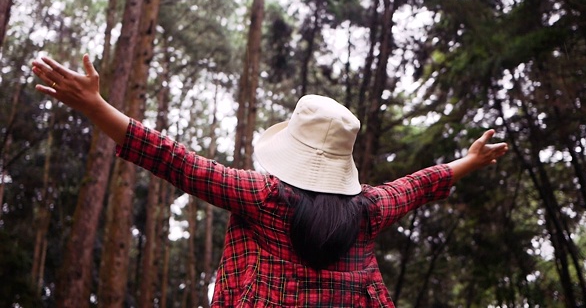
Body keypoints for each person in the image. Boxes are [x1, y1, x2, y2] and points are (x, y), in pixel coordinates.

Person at [32, 54, 508, 307]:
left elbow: (175, 161)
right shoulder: (369, 209)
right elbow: (422, 183)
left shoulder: (264, 197)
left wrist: (94, 105)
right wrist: (469, 162)